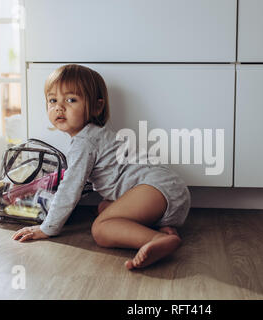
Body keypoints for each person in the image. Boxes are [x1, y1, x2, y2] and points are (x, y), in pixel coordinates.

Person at [12, 64, 191, 270]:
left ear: (97, 107)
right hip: (167, 191)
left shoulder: (84, 142)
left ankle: (157, 239)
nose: (59, 107)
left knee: (101, 229)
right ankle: (165, 228)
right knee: (104, 208)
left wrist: (48, 228)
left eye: (71, 100)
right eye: (53, 100)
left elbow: (71, 188)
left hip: (156, 189)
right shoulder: (95, 135)